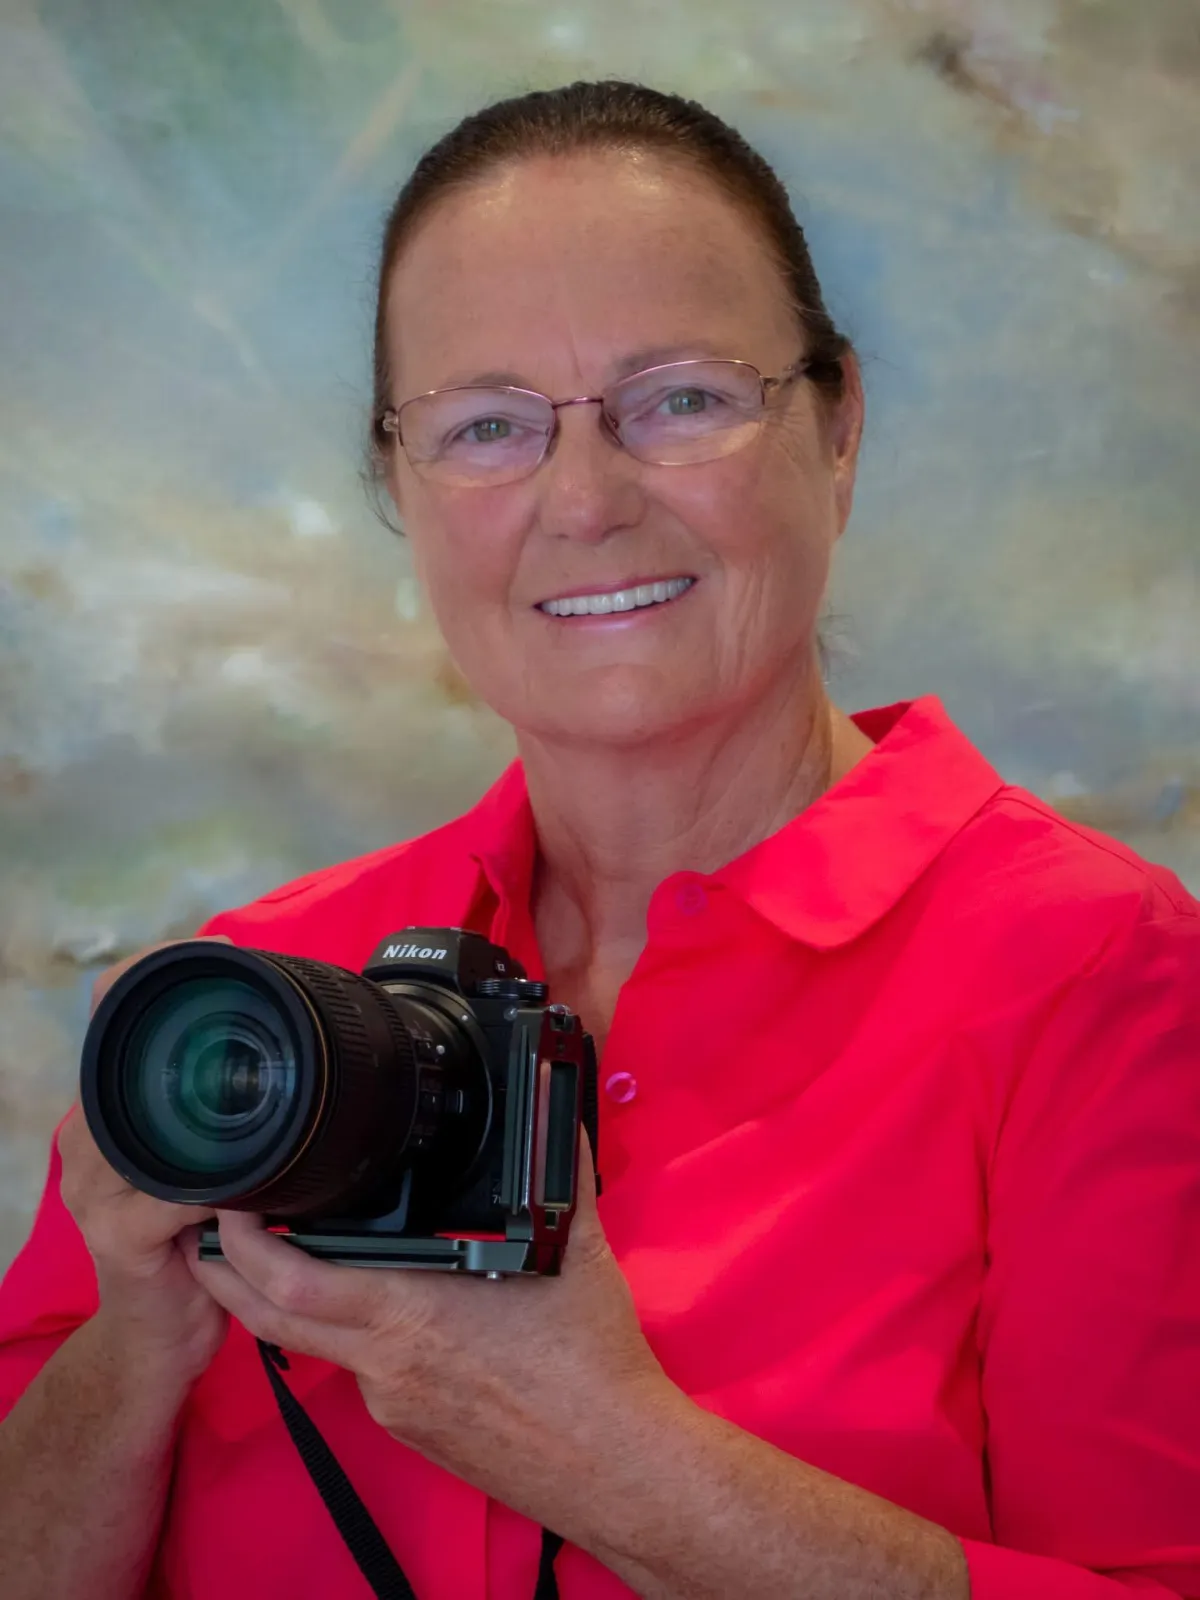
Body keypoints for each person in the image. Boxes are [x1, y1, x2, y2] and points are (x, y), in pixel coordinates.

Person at [0, 78, 1197, 1600]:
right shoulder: (245, 1009)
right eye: (487, 426)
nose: (584, 501)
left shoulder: (1101, 977)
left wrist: (602, 1451)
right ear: (400, 484)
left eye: (680, 399)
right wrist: (134, 1347)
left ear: (837, 427)